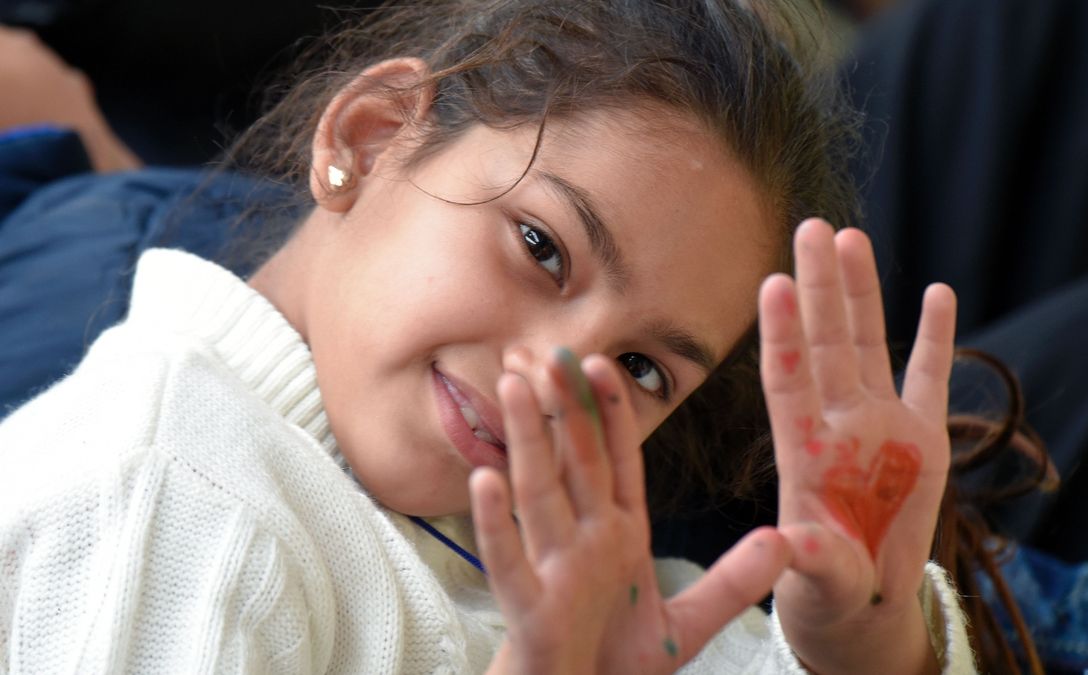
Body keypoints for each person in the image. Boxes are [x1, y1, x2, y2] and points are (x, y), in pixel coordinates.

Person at [0, 1, 990, 672]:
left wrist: (867, 639)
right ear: (371, 137)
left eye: (642, 368)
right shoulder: (172, 493)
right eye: (541, 248)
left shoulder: (563, 578)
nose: (560, 380)